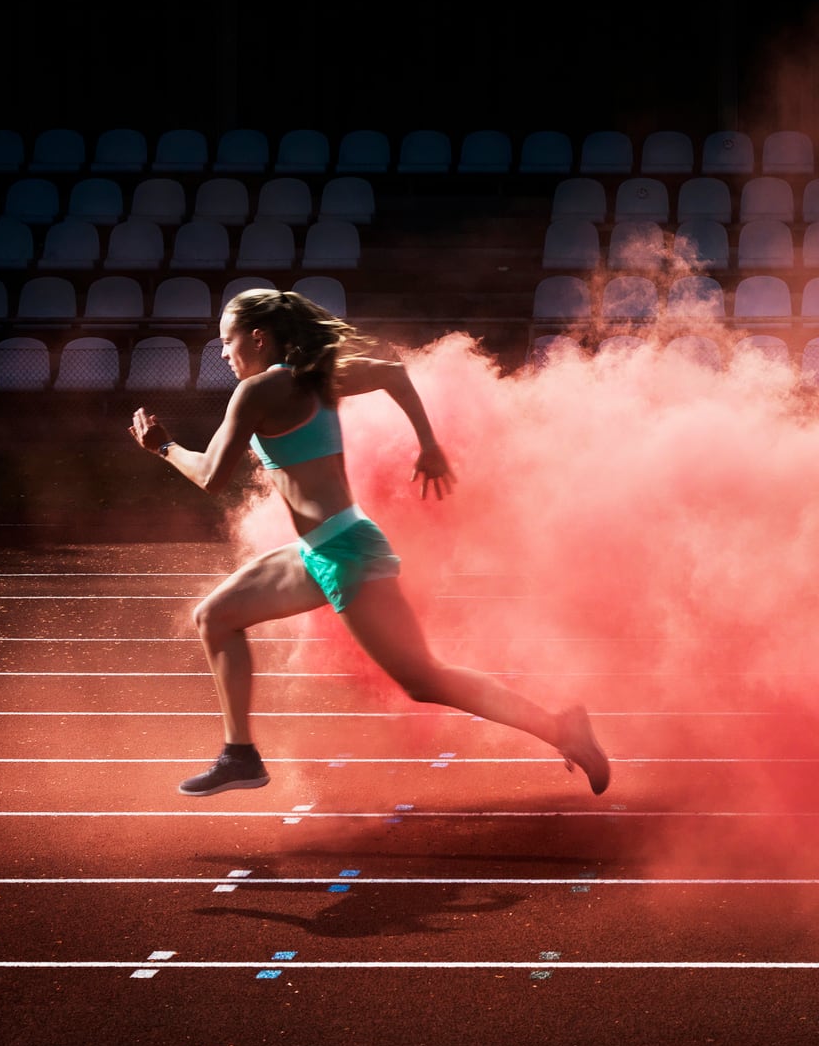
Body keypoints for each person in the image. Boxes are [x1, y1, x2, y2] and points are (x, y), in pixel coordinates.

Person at [127, 288, 609, 797]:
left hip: (346, 554)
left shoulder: (258, 393)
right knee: (215, 617)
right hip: (321, 549)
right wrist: (428, 444)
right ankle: (240, 755)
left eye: (227, 341)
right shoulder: (316, 377)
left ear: (258, 337)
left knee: (423, 680)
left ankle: (561, 727)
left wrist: (163, 446)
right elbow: (392, 371)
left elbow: (212, 477)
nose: (223, 353)